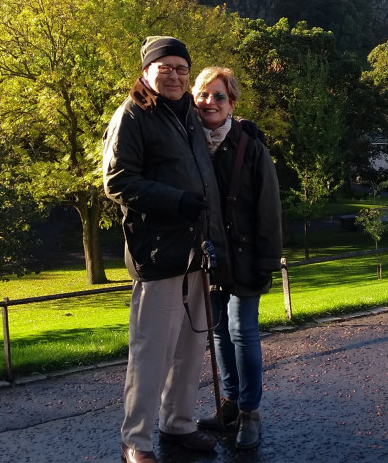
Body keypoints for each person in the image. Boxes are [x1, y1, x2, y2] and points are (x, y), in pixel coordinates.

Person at [102, 36, 228, 463]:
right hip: (157, 253)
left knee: (192, 346)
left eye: (181, 68)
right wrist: (175, 201)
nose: (174, 75)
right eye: (165, 67)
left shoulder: (189, 114)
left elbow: (218, 135)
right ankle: (135, 440)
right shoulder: (132, 115)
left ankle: (179, 423)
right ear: (146, 71)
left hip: (197, 250)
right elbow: (117, 181)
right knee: (152, 350)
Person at [191, 66, 283, 450]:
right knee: (218, 334)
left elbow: (269, 207)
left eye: (219, 96)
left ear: (232, 104)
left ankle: (250, 412)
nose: (210, 102)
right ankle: (228, 403)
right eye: (204, 95)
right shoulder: (188, 142)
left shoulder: (250, 145)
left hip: (246, 257)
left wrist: (267, 261)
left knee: (241, 330)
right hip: (208, 259)